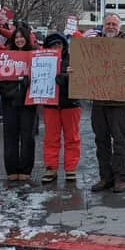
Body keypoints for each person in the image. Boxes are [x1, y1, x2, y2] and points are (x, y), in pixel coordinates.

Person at [83, 12, 125, 194]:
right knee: (101, 141)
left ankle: (121, 178)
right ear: (103, 26)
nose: (110, 26)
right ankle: (105, 177)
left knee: (119, 141)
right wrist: (75, 69)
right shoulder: (94, 45)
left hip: (118, 102)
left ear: (119, 27)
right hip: (99, 101)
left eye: (114, 24)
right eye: (108, 23)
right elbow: (84, 66)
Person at [40, 33, 81, 184]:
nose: (57, 48)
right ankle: (51, 168)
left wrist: (67, 77)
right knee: (51, 138)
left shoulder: (74, 59)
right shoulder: (41, 60)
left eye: (59, 45)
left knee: (72, 138)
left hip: (70, 104)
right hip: (51, 105)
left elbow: (82, 76)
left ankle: (71, 168)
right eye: (53, 45)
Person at [0, 25, 37, 182]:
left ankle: (26, 169)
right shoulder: (6, 56)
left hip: (28, 102)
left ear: (27, 39)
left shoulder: (35, 56)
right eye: (17, 37)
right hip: (10, 102)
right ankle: (12, 169)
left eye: (22, 37)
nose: (19, 40)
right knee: (10, 136)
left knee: (28, 137)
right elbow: (0, 79)